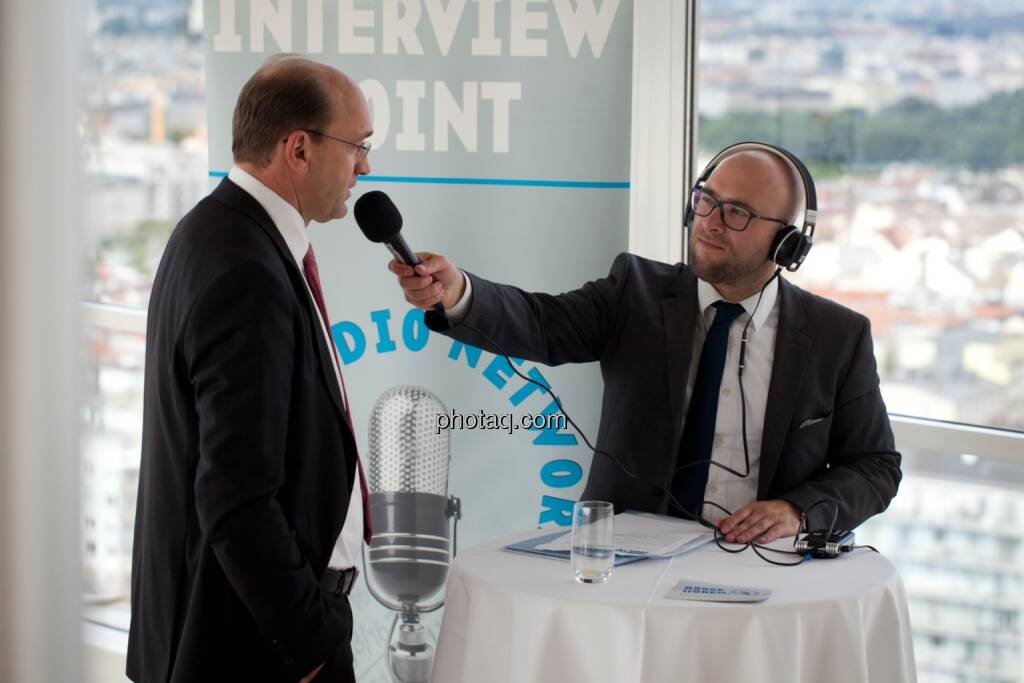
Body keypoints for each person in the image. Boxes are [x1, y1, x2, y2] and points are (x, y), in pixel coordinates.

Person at [389, 143, 901, 545]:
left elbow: (876, 466)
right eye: (706, 201)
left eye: (738, 213)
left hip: (760, 574)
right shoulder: (634, 291)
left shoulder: (838, 336)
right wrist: (459, 293)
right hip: (625, 565)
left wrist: (797, 511)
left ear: (788, 243)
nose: (711, 221)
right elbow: (542, 323)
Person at [128, 55, 373, 682]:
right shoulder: (249, 274)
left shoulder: (211, 230)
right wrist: (308, 643)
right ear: (298, 149)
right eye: (356, 147)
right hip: (255, 646)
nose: (365, 168)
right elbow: (235, 496)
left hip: (235, 628)